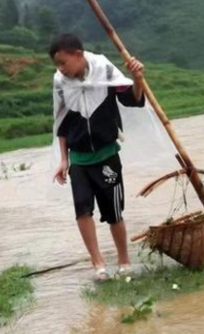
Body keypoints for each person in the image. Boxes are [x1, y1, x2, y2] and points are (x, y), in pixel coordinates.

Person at [50, 33, 145, 282]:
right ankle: (98, 264)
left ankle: (124, 261)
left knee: (114, 213)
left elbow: (133, 98)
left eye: (63, 63)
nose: (61, 69)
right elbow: (61, 122)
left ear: (78, 55)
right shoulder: (60, 82)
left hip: (107, 156)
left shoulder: (104, 69)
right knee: (82, 211)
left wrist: (137, 76)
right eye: (57, 65)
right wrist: (63, 159)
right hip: (79, 159)